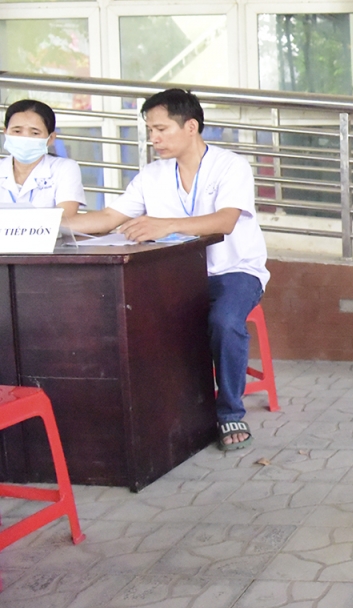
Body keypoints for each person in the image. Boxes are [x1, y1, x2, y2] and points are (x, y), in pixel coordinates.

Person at [66, 89, 270, 452]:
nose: (153, 138)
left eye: (161, 129)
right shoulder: (152, 175)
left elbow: (225, 220)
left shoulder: (230, 166)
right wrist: (52, 225)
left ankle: (229, 412)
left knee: (224, 321)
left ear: (190, 126)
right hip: (176, 277)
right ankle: (163, 412)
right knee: (136, 321)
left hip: (235, 272)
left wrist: (163, 224)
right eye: (149, 130)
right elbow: (110, 218)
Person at [1, 99, 86, 218]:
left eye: (35, 133)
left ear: (50, 138)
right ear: (6, 133)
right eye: (17, 131)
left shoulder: (64, 169)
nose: (25, 138)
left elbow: (64, 218)